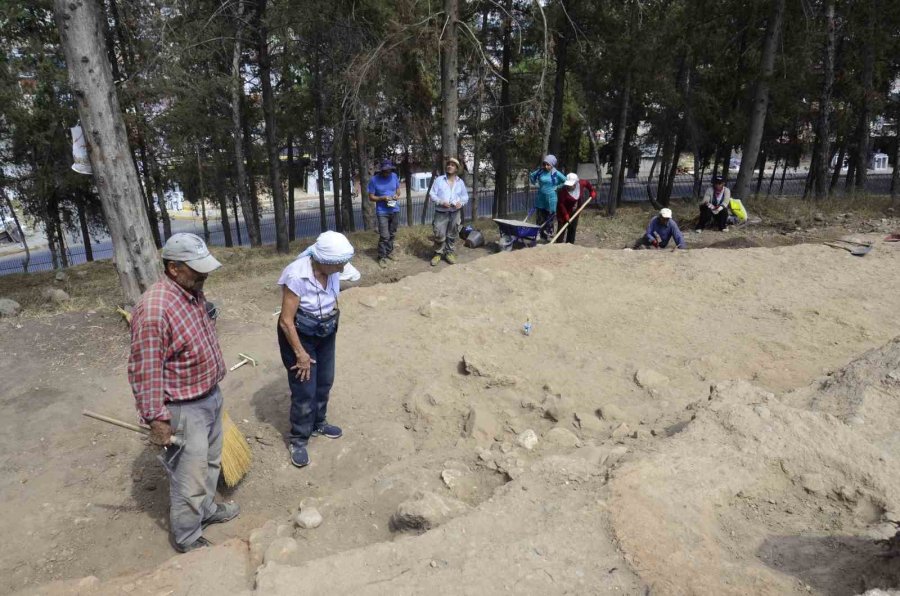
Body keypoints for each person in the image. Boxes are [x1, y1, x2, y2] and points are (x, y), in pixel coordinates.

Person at [128, 233, 239, 554]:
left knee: (210, 463)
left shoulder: (191, 292)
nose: (204, 275)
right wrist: (157, 420)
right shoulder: (154, 310)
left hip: (208, 396)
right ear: (174, 268)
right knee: (188, 479)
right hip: (182, 409)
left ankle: (206, 511)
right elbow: (144, 371)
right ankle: (188, 537)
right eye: (196, 269)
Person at [277, 231, 355, 469]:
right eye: (339, 265)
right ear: (324, 261)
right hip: (300, 334)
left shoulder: (335, 267)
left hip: (326, 330)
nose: (343, 269)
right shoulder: (297, 274)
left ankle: (318, 422)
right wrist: (300, 354)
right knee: (305, 389)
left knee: (324, 380)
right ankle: (299, 438)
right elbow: (285, 321)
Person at [428, 157, 469, 266]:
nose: (449, 166)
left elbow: (465, 197)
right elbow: (432, 194)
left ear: (456, 169)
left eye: (453, 165)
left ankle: (449, 253)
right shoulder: (439, 180)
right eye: (448, 164)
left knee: (453, 233)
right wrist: (441, 202)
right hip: (441, 212)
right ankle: (438, 253)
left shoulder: (460, 182)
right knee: (439, 234)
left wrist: (461, 203)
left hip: (455, 212)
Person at [367, 159, 401, 268]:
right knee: (384, 235)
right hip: (382, 211)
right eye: (385, 170)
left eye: (389, 170)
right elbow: (371, 197)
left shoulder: (394, 176)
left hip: (394, 209)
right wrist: (382, 198)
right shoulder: (374, 180)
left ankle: (389, 252)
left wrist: (396, 195)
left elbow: (398, 190)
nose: (388, 172)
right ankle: (381, 257)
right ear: (381, 170)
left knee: (392, 233)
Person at [529, 155, 566, 241]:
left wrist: (558, 186)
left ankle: (548, 236)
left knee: (549, 218)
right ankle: (538, 234)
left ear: (552, 165)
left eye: (548, 164)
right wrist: (535, 182)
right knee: (539, 217)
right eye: (544, 164)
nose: (546, 166)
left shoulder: (556, 173)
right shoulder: (540, 171)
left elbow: (566, 180)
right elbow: (532, 176)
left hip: (551, 199)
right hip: (541, 198)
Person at [555, 173, 596, 244]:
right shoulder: (563, 191)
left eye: (571, 185)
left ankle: (570, 244)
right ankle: (558, 244)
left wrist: (591, 190)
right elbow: (561, 204)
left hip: (575, 210)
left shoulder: (581, 184)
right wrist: (566, 215)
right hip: (563, 211)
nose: (569, 186)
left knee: (572, 228)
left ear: (576, 183)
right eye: (568, 185)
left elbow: (587, 184)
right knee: (561, 228)